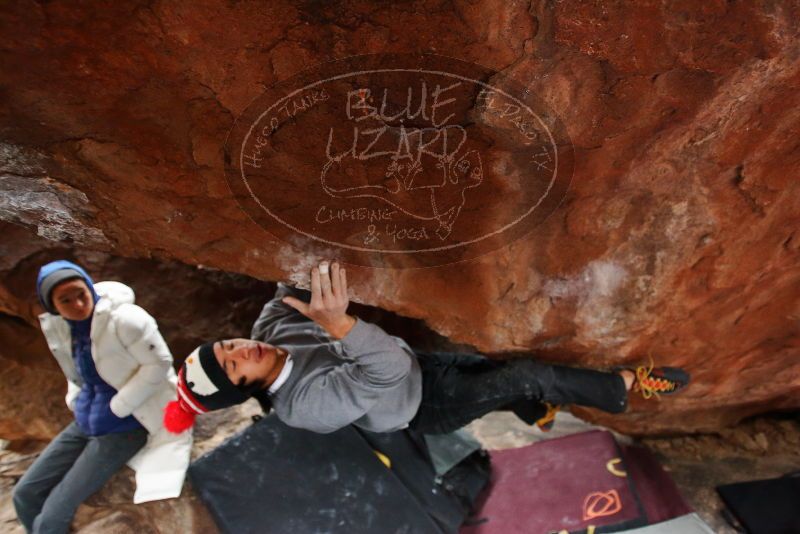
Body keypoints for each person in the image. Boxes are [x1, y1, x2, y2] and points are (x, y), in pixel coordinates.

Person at [164, 260, 689, 436]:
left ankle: (536, 410)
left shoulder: (271, 326)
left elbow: (291, 282)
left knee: (493, 370)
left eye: (227, 345)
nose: (242, 350)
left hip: (421, 367)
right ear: (245, 390)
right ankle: (623, 386)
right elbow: (385, 369)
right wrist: (339, 324)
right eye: (235, 367)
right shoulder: (305, 407)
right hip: (423, 406)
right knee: (524, 373)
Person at [13, 260, 192, 534]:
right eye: (65, 300)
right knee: (24, 494)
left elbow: (159, 363)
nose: (77, 304)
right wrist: (75, 400)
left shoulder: (126, 319)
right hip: (86, 420)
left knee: (51, 519)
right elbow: (75, 372)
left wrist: (119, 407)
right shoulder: (64, 328)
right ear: (53, 306)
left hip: (126, 425)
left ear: (90, 288)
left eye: (81, 294)